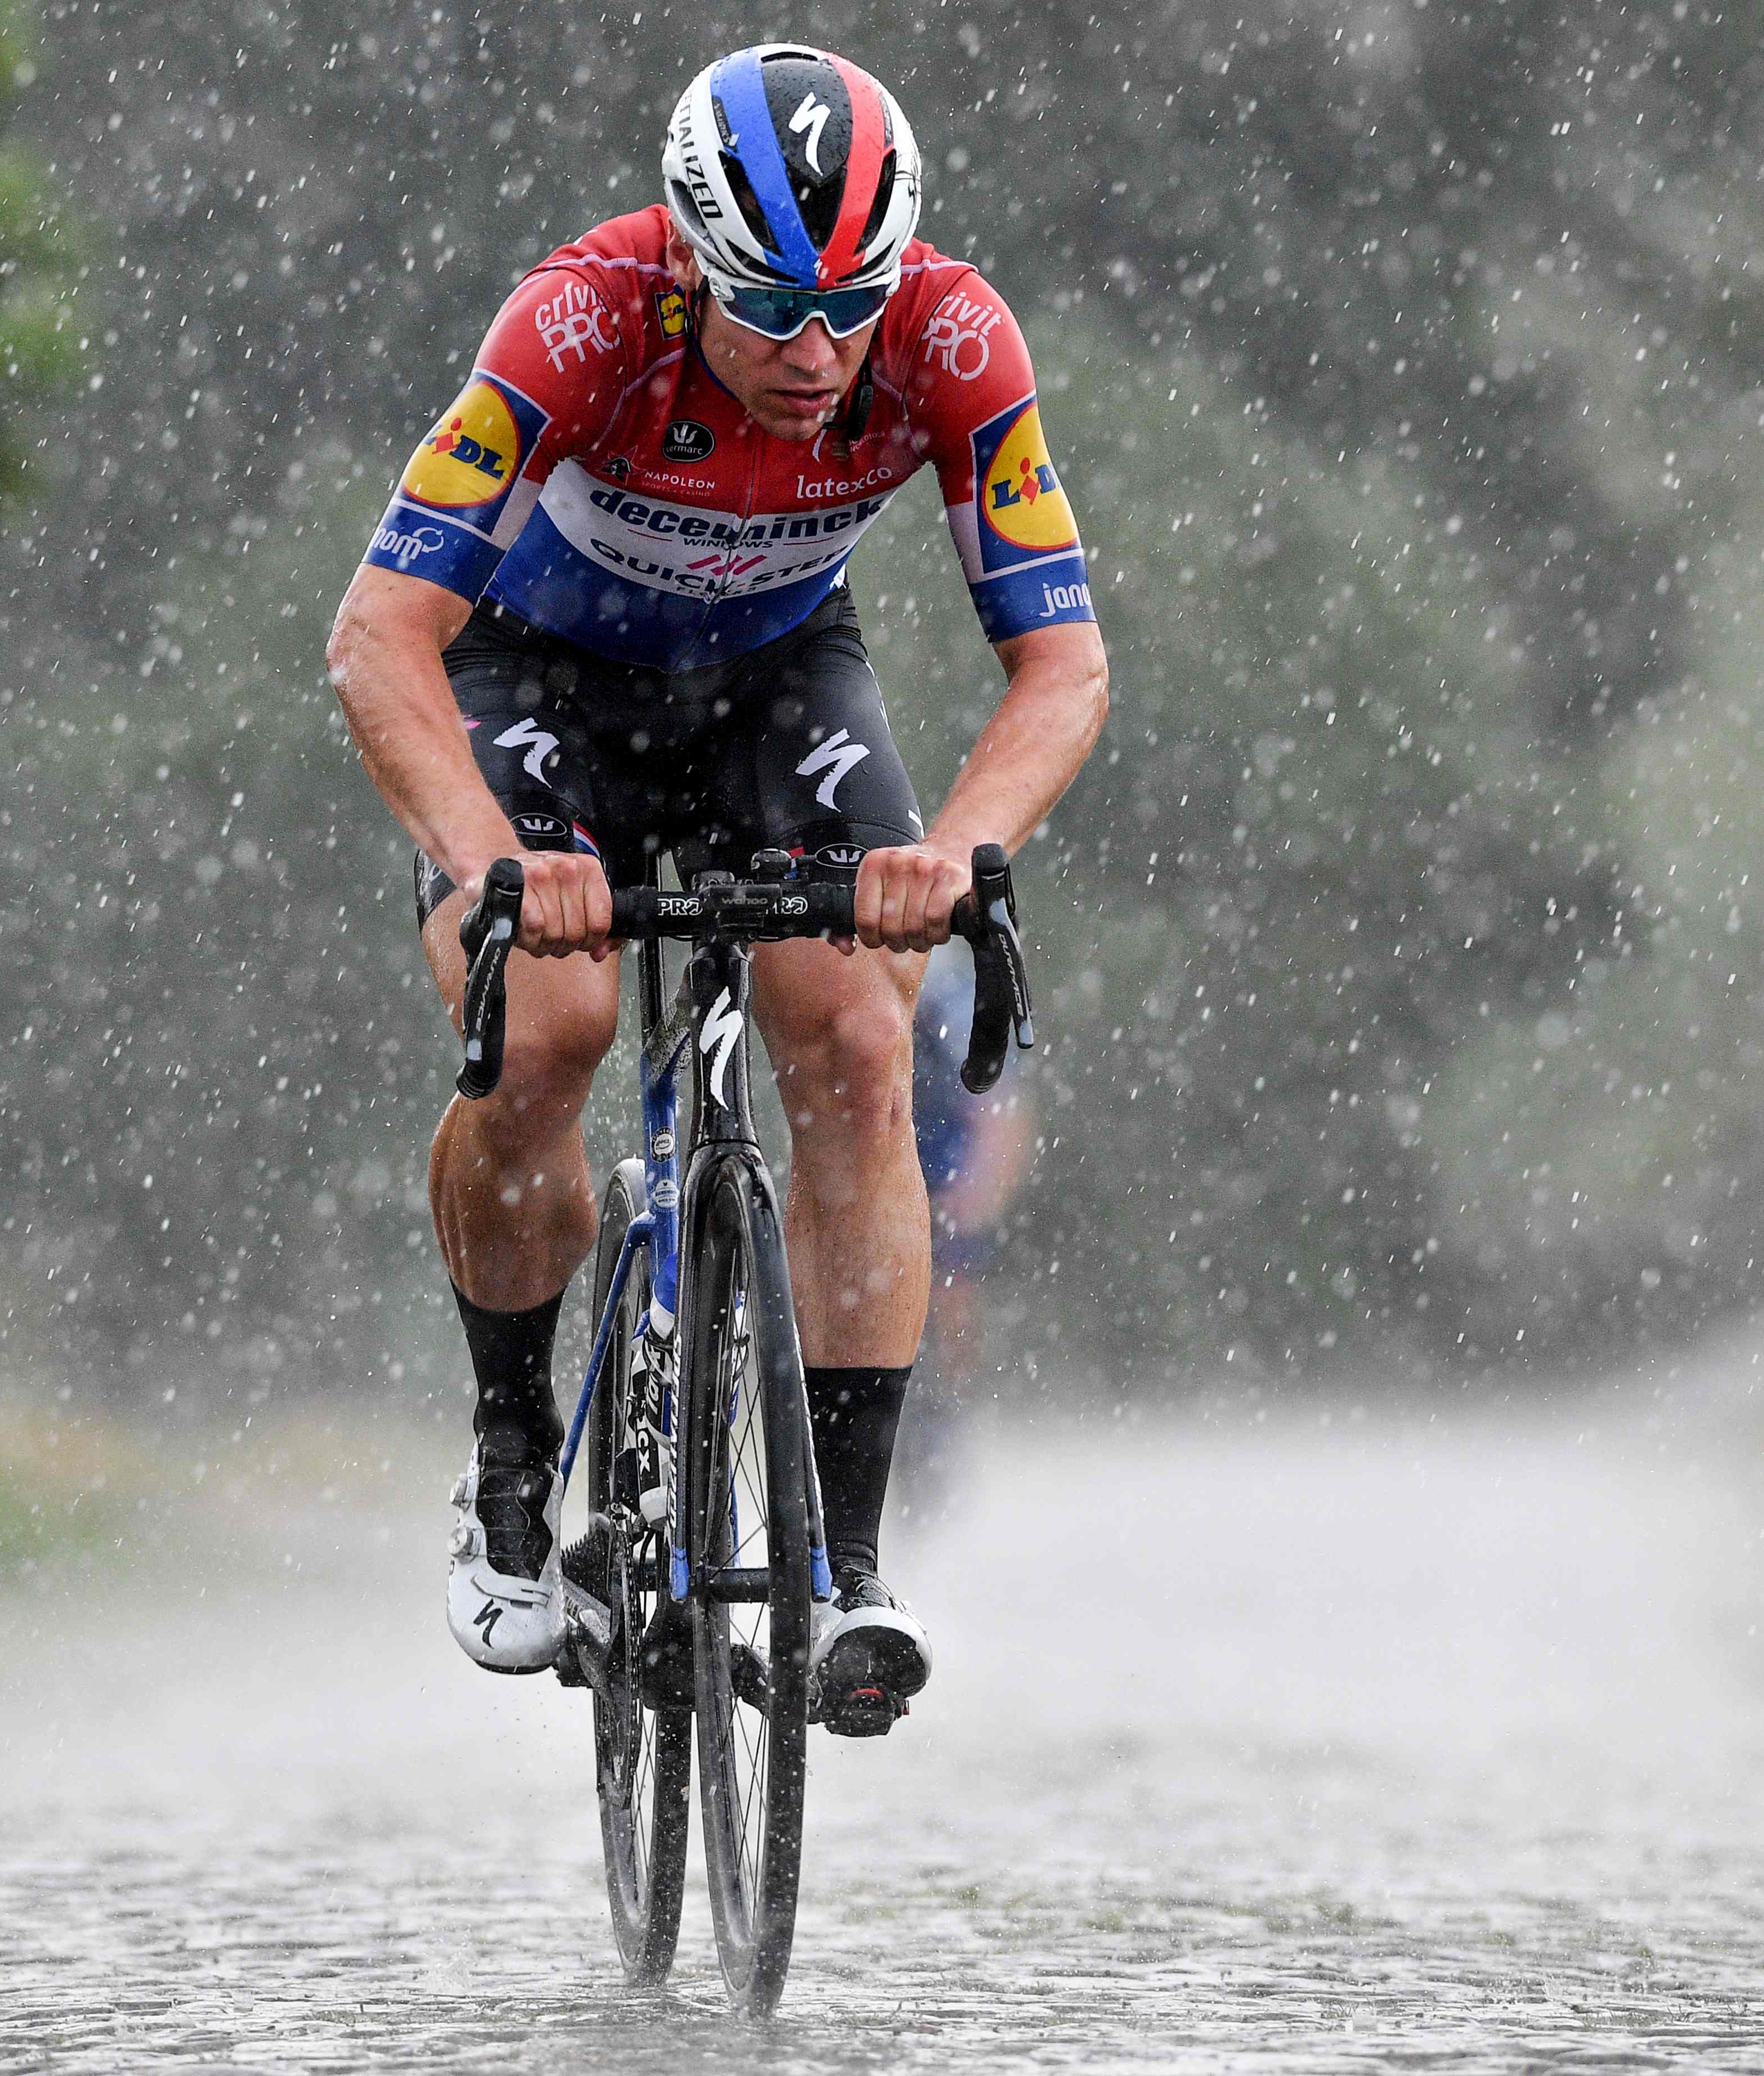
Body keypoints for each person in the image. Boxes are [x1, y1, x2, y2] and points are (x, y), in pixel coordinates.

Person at [324, 44, 1108, 1734]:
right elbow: (378, 633)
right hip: (536, 680)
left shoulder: (953, 341)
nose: (820, 354)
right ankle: (511, 1459)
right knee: (550, 1030)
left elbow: (1060, 668)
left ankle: (840, 1561)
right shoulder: (577, 322)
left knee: (855, 1034)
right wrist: (488, 861)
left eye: (851, 306)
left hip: (769, 682)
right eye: (770, 309)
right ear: (683, 255)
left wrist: (955, 849)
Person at [904, 941, 1038, 1498]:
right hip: (902, 1140)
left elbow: (1002, 1110)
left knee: (952, 1289)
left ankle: (948, 1416)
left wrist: (976, 1195)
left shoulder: (952, 986)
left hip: (945, 1155)